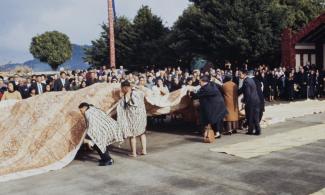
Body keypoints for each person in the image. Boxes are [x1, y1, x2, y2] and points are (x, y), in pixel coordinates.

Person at [117, 80, 147, 157]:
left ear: (124, 88)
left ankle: (134, 153)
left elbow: (121, 109)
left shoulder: (124, 98)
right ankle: (144, 150)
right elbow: (144, 92)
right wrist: (135, 86)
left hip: (131, 119)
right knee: (142, 133)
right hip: (140, 117)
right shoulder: (137, 93)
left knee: (132, 135)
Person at [194, 76, 228, 140]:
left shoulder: (206, 88)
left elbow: (198, 94)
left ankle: (216, 133)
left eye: (200, 82)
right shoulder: (212, 84)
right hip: (218, 105)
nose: (199, 83)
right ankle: (217, 133)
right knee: (216, 119)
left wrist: (192, 92)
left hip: (214, 106)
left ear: (204, 82)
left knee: (213, 119)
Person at [238, 70, 262, 135]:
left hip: (250, 102)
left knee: (250, 116)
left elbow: (247, 93)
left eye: (240, 74)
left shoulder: (245, 81)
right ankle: (258, 130)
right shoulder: (250, 80)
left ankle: (250, 131)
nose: (239, 76)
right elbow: (242, 89)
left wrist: (244, 102)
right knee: (256, 116)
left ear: (244, 74)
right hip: (256, 100)